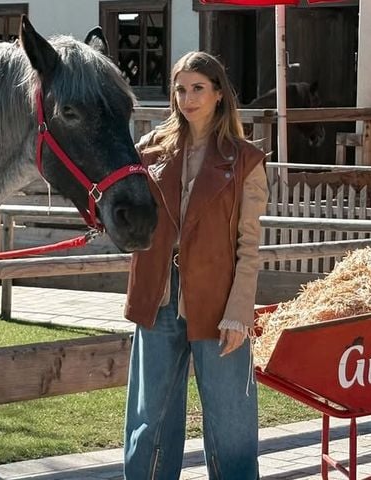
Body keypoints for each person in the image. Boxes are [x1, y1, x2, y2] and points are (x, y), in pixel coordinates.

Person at [123, 51, 269, 479]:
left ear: (219, 94)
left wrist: (240, 312)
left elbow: (249, 246)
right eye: (181, 89)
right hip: (157, 297)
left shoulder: (245, 161)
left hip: (219, 305)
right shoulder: (149, 151)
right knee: (151, 420)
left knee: (230, 422)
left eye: (198, 89)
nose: (187, 98)